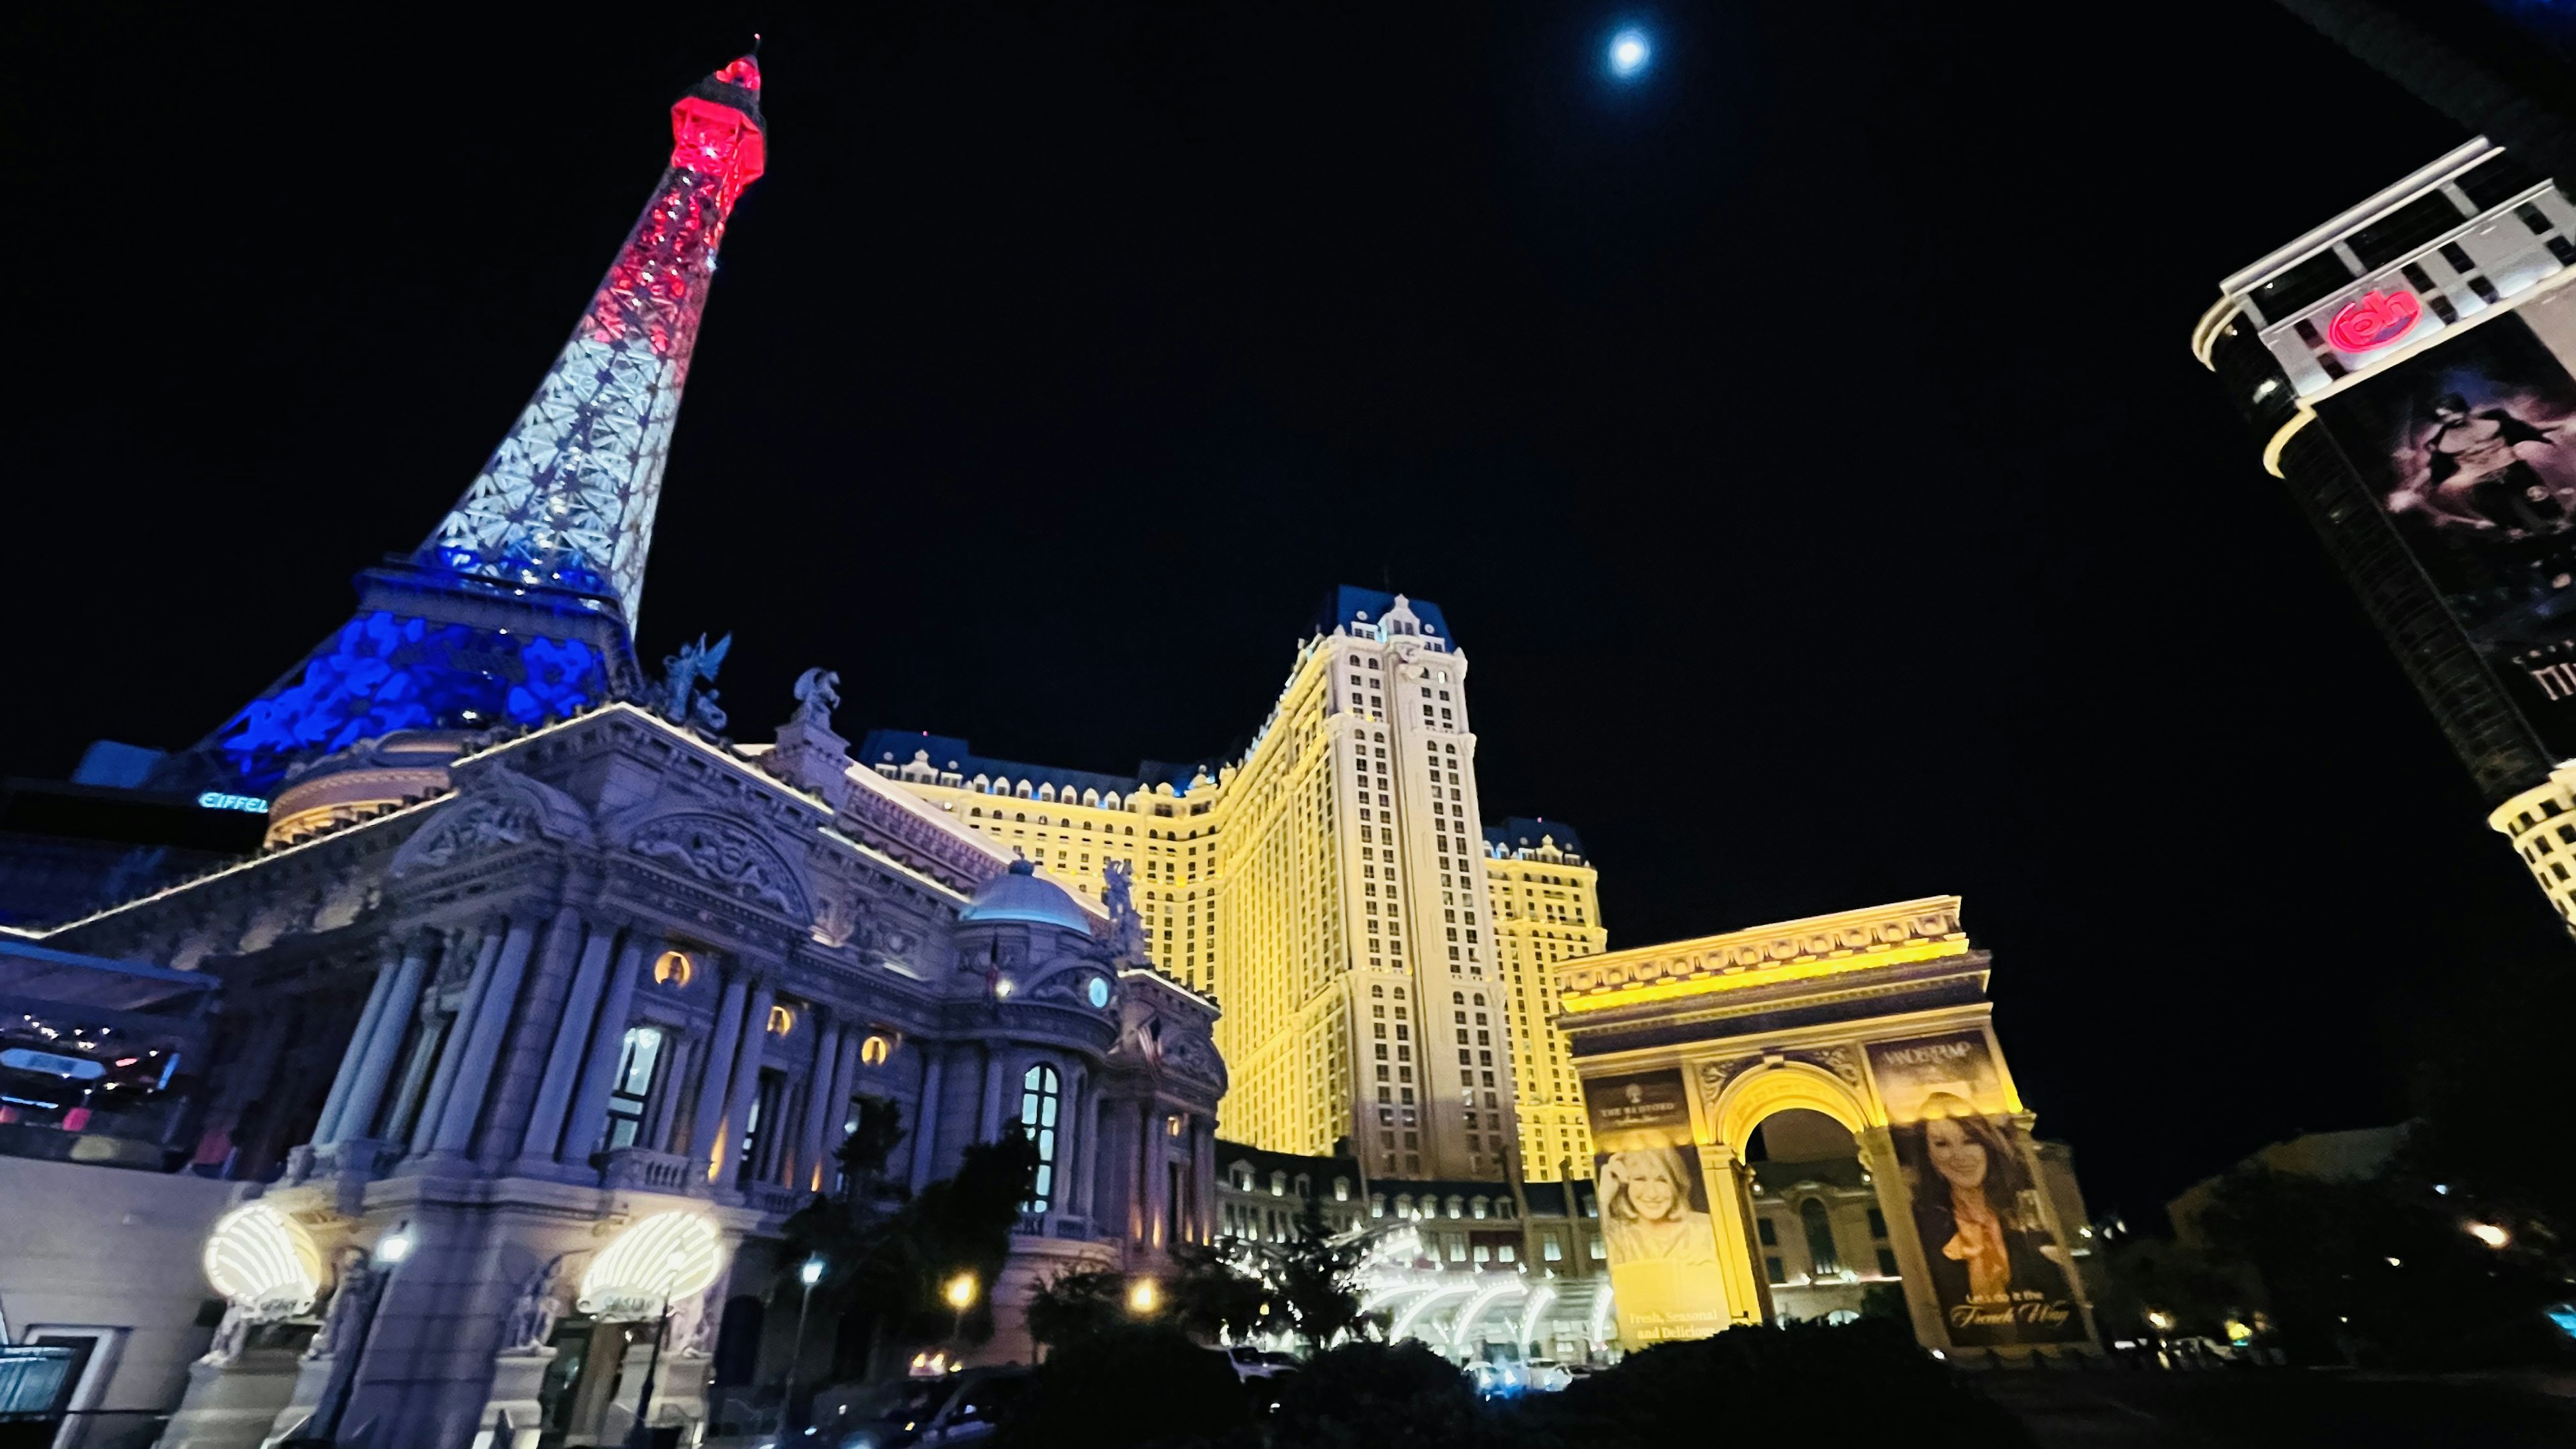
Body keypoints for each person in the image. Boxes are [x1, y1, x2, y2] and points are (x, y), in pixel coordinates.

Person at [1895, 1094, 2069, 1334]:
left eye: (1969, 1141)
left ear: (1987, 1145)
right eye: (1942, 1144)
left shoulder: (2029, 1219)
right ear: (1928, 1155)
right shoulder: (1920, 1226)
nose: (1959, 1155)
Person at [2397, 392, 2571, 537]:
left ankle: (2560, 526)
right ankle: (2526, 539)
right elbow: (2433, 469)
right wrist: (2412, 488)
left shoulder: (2495, 421)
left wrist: (2562, 424)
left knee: (2546, 505)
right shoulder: (2442, 443)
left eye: (2453, 413)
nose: (2451, 419)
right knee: (2510, 525)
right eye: (2444, 417)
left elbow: (2530, 428)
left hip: (2514, 470)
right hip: (2484, 482)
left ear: (2462, 409)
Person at [1599, 1146, 1717, 1265]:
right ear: (1624, 1184)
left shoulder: (1707, 1229)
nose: (1652, 1194)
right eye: (1640, 1179)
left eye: (1662, 1180)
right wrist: (1603, 1199)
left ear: (1676, 1183)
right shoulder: (1618, 1238)